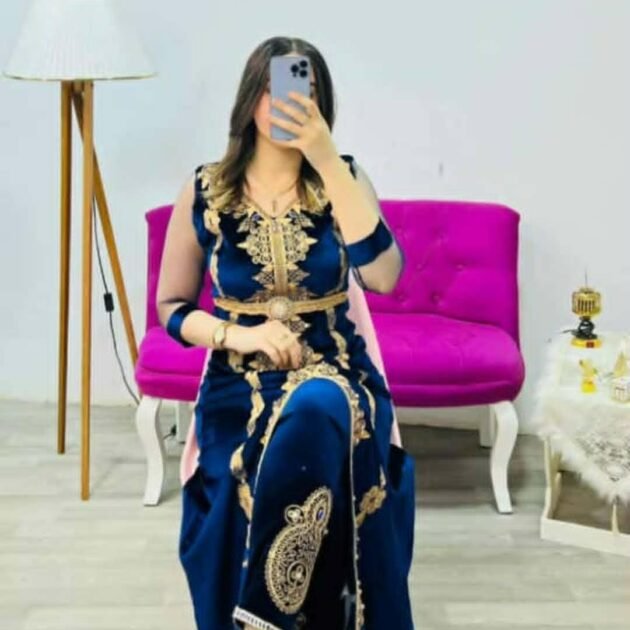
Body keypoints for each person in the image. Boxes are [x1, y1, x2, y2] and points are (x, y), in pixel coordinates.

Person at [156, 35, 416, 630]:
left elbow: (384, 276)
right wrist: (239, 336)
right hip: (237, 385)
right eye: (272, 90)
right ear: (250, 98)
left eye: (304, 90)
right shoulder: (206, 190)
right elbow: (172, 309)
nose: (287, 103)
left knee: (318, 404)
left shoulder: (343, 179)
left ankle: (264, 613)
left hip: (337, 367)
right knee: (261, 455)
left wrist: (326, 159)